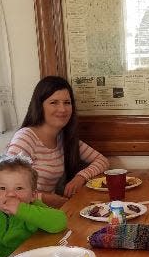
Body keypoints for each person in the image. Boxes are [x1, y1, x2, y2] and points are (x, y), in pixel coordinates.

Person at [6, 76, 109, 207]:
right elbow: (7, 189)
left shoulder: (63, 138)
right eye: (54, 102)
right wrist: (45, 198)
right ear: (40, 106)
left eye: (67, 102)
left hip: (47, 212)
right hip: (22, 215)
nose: (62, 109)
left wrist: (80, 177)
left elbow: (102, 161)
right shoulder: (25, 138)